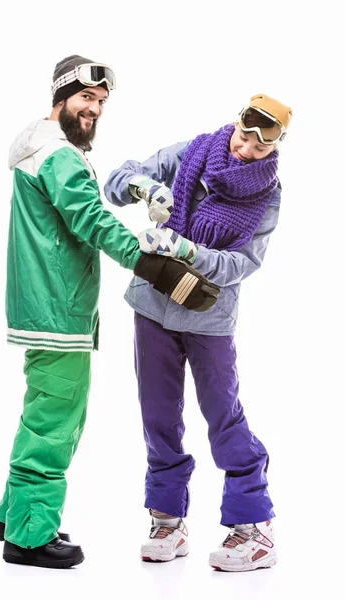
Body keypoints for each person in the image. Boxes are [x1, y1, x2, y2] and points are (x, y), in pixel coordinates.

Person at [0, 54, 220, 570]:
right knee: (54, 421)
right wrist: (151, 263)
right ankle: (27, 537)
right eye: (85, 98)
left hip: (49, 304)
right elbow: (90, 219)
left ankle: (15, 514)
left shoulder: (44, 150)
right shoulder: (58, 155)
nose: (93, 108)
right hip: (57, 309)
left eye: (100, 102)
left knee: (46, 412)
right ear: (60, 97)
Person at [104, 93, 293, 572]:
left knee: (223, 417)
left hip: (209, 320)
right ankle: (168, 520)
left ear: (276, 146)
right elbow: (118, 178)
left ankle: (253, 529)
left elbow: (241, 263)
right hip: (152, 307)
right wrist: (146, 189)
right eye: (244, 134)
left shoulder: (266, 196)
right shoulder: (194, 152)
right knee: (158, 416)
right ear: (236, 123)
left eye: (260, 145)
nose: (246, 148)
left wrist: (185, 250)